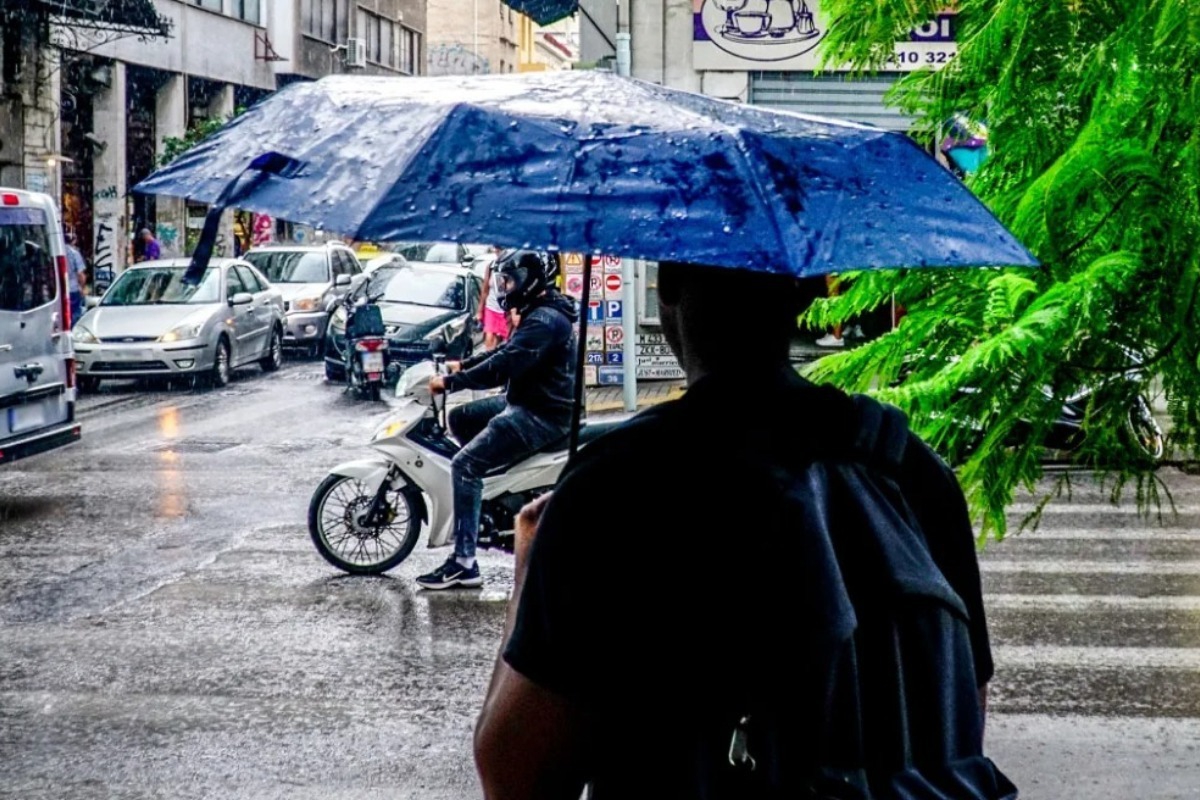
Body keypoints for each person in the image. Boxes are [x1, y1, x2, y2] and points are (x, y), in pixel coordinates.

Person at [475, 261, 1002, 798]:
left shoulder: (620, 485)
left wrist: (527, 574)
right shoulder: (912, 472)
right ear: (811, 290)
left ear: (670, 286)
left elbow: (516, 779)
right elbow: (962, 716)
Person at [416, 250, 578, 591]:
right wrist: (463, 365)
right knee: (461, 417)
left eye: (509, 280)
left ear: (529, 281)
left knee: (464, 465)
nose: (504, 288)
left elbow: (505, 366)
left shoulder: (545, 321)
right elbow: (505, 353)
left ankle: (464, 563)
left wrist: (452, 382)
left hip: (541, 415)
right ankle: (486, 494)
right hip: (528, 402)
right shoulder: (538, 312)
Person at [478, 247, 510, 351]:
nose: (497, 252)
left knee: (504, 342)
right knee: (489, 340)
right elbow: (485, 290)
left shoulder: (510, 266)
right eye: (496, 249)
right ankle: (489, 364)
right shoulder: (491, 266)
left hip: (505, 310)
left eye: (499, 249)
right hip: (491, 308)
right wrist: (480, 311)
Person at [63, 227, 87, 326]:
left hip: (60, 290)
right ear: (73, 241)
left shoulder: (57, 251)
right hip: (73, 289)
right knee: (76, 314)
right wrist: (82, 288)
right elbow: (80, 274)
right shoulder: (74, 253)